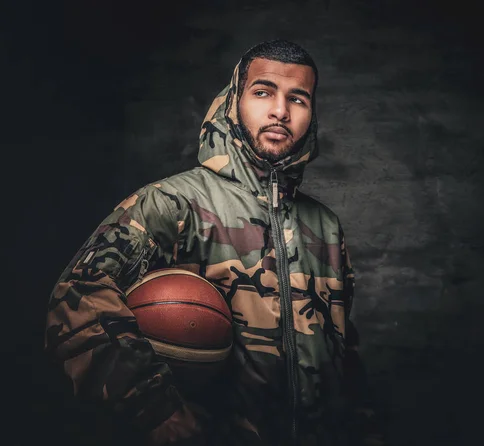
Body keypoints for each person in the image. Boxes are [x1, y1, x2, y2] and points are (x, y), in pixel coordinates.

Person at [45, 39, 385, 446]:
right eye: (263, 92)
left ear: (311, 114)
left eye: (299, 98)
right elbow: (76, 298)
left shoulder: (326, 228)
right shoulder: (170, 204)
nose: (280, 111)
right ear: (233, 101)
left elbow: (345, 355)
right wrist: (155, 409)